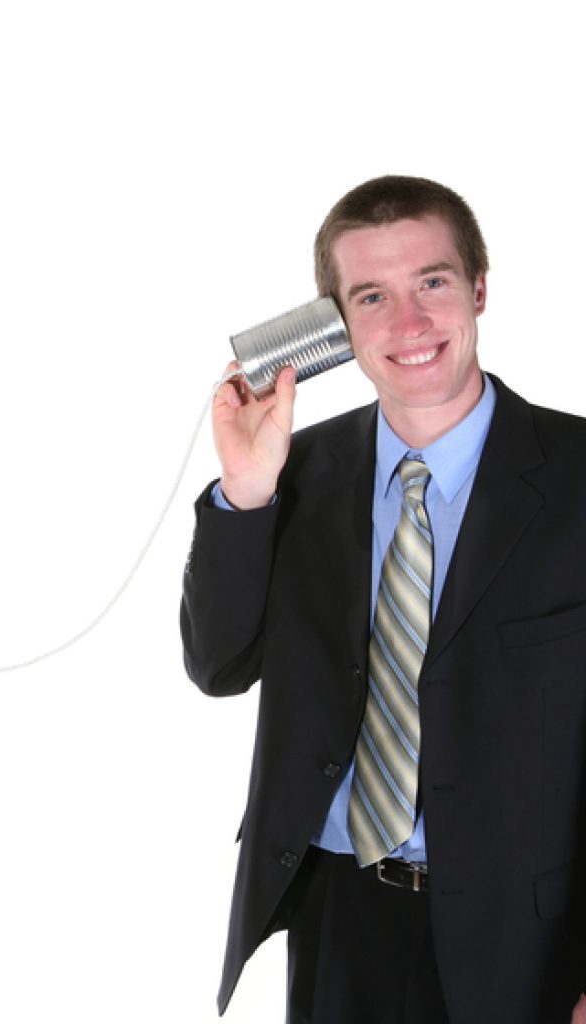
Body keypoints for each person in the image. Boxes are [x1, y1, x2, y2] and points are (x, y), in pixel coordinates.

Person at [180, 176, 586, 1024]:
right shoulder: (292, 474)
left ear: (479, 289)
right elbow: (219, 666)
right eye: (372, 296)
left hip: (532, 932)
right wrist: (246, 495)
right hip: (337, 912)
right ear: (336, 323)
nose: (409, 324)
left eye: (433, 282)